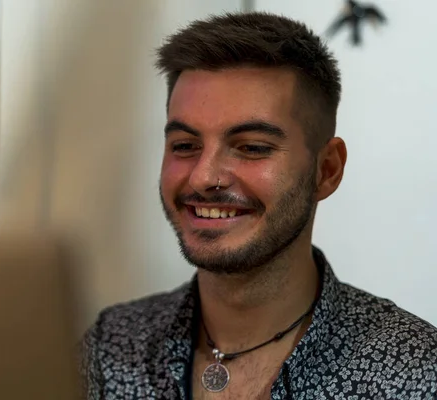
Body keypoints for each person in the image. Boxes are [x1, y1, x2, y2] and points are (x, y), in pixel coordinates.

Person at [80, 11, 437, 400]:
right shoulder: (108, 349)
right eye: (185, 146)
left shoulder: (413, 372)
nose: (203, 177)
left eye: (252, 147)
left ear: (327, 170)